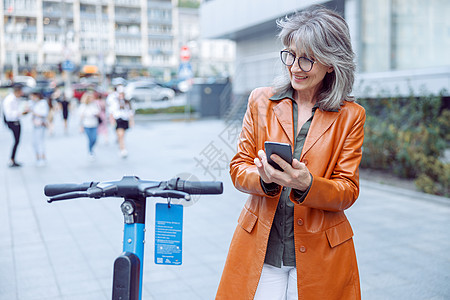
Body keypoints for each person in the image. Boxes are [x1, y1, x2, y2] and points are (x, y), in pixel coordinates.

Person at [216, 6, 365, 300]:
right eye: (291, 55)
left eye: (307, 59)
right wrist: (264, 179)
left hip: (321, 251)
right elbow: (238, 167)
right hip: (263, 246)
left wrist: (307, 184)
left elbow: (347, 190)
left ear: (332, 64)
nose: (295, 66)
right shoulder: (261, 101)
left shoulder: (351, 115)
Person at [2, 83, 29, 167]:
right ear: (18, 91)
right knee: (16, 141)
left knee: (17, 141)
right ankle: (12, 159)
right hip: (13, 122)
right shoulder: (9, 100)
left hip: (15, 121)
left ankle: (13, 159)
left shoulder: (15, 98)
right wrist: (21, 113)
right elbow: (9, 114)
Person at [110, 91, 134, 158]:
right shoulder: (115, 103)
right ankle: (123, 149)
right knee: (121, 135)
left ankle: (121, 147)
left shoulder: (127, 103)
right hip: (118, 119)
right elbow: (112, 112)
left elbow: (130, 112)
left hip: (125, 119)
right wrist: (112, 121)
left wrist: (131, 121)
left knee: (122, 135)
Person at [29, 89, 49, 166]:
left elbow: (44, 113)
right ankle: (37, 157)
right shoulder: (33, 103)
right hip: (34, 125)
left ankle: (42, 158)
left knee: (40, 142)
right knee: (34, 143)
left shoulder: (42, 103)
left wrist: (33, 112)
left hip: (40, 125)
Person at [78, 91, 100, 160]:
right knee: (90, 139)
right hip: (86, 125)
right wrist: (80, 126)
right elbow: (81, 116)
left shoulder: (94, 105)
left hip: (94, 124)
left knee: (94, 139)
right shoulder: (83, 106)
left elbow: (98, 112)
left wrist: (96, 114)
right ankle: (90, 151)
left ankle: (91, 150)